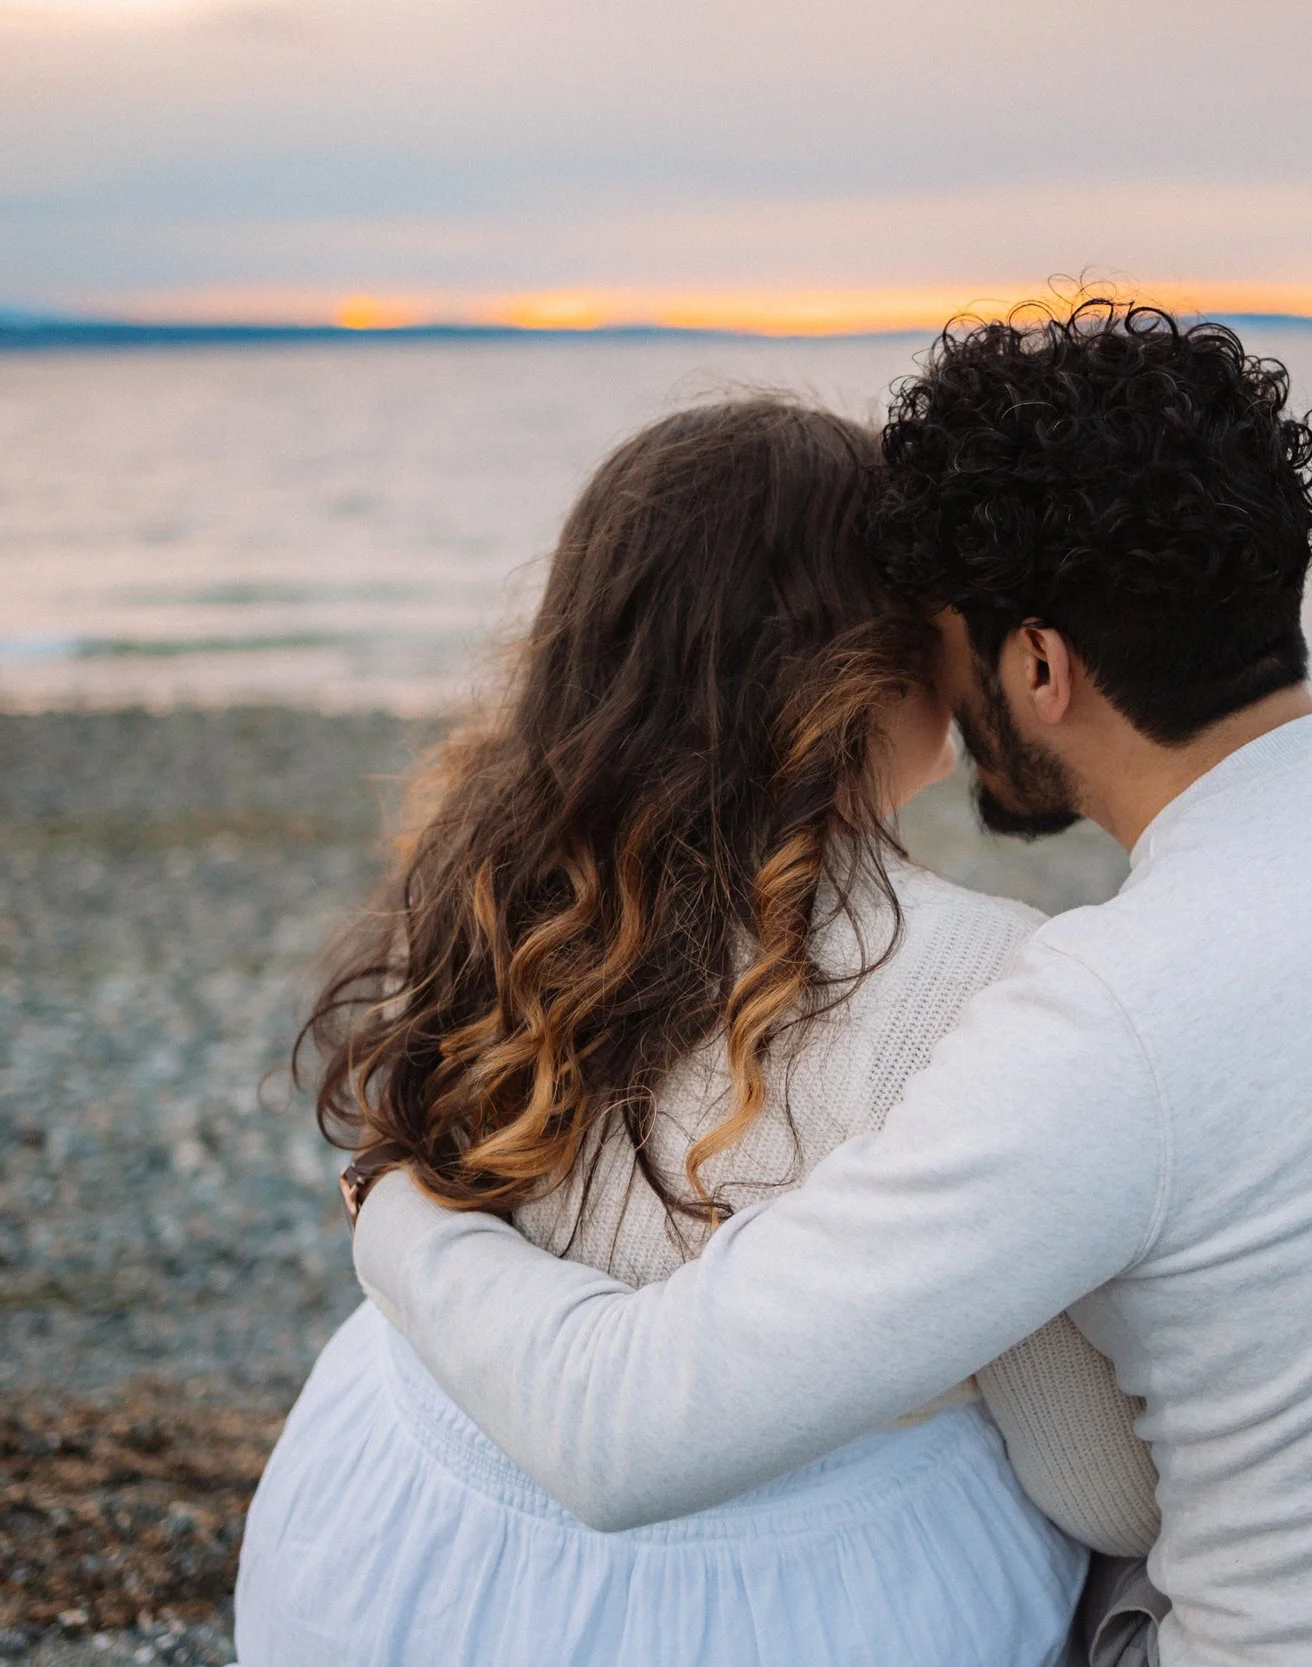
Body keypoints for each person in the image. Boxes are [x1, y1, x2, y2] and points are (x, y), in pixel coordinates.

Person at [350, 301, 1312, 1666]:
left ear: (1039, 666)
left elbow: (627, 1430)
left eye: (945, 644)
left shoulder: (1105, 1019)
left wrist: (394, 1203)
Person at [235, 397, 1160, 1667]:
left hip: (384, 1539)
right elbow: (1098, 1481)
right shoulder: (967, 976)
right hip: (762, 1604)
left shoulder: (490, 876)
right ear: (864, 662)